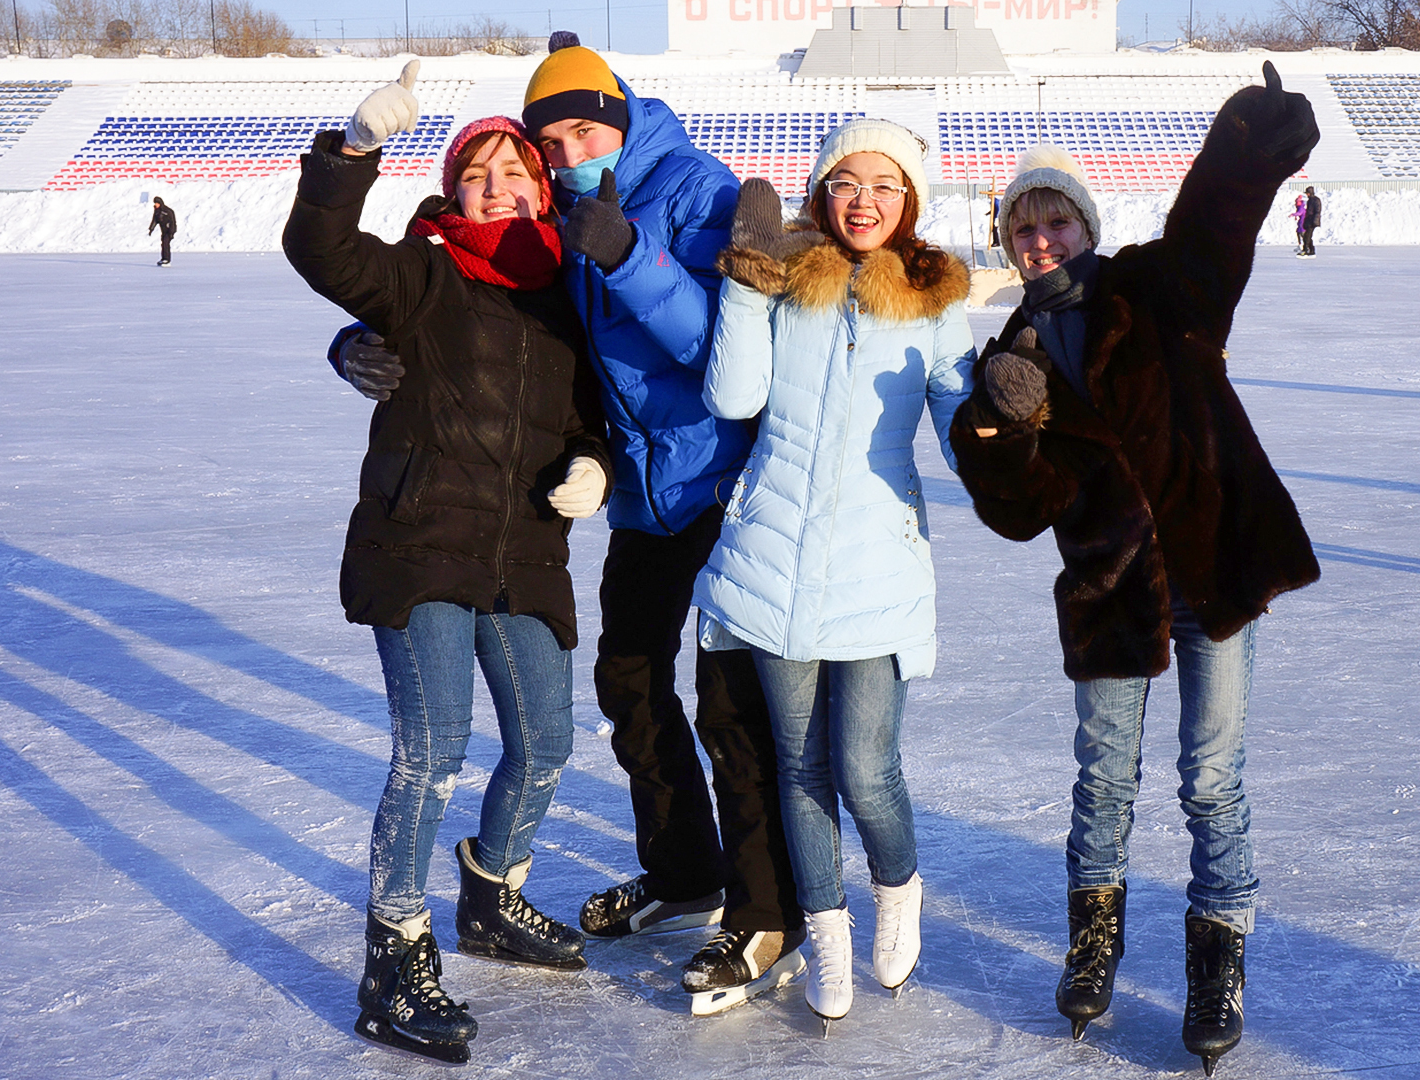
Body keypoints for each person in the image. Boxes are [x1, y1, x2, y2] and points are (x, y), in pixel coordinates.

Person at [330, 31, 806, 1016]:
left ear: (619, 118)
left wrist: (631, 258)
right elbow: (496, 318)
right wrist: (362, 337)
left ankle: (767, 912)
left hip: (715, 476)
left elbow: (727, 351)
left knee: (728, 700)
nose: (565, 149)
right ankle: (684, 873)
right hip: (639, 487)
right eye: (550, 139)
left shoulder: (693, 190)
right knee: (629, 679)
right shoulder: (561, 209)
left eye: (583, 128)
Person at [948, 63, 1321, 1075]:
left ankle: (1215, 963)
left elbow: (1214, 232)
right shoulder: (1014, 355)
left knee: (1212, 783)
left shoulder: (1156, 290)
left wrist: (1245, 153)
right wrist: (998, 430)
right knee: (1103, 781)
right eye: (1023, 229)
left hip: (1217, 569)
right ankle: (1094, 944)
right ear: (1007, 244)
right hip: (1112, 593)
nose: (1040, 241)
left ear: (1084, 225)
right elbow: (1021, 513)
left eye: (1056, 222)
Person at [284, 63, 612, 1063]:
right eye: (480, 172)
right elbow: (322, 247)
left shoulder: (566, 298)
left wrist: (595, 460)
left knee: (548, 741)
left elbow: (592, 410)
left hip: (522, 554)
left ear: (542, 191)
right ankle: (394, 955)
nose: (501, 183)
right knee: (432, 751)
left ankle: (493, 895)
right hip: (420, 542)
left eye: (517, 169)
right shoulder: (423, 276)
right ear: (454, 192)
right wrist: (353, 153)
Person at [696, 119, 975, 1031]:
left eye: (885, 185)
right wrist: (745, 281)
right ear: (820, 192)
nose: (863, 200)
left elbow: (961, 430)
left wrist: (1000, 410)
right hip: (773, 558)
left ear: (910, 204)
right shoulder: (786, 286)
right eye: (846, 182)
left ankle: (898, 891)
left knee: (865, 769)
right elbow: (734, 398)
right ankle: (827, 931)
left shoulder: (934, 303)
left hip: (876, 570)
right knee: (800, 768)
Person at [148, 196, 175, 266]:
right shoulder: (157, 211)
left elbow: (173, 222)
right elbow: (155, 220)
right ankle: (163, 258)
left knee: (166, 244)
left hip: (169, 230)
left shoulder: (167, 211)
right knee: (163, 244)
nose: (155, 204)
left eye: (156, 203)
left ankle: (167, 259)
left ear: (160, 203)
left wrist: (172, 232)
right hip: (163, 230)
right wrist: (151, 229)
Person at [1299, 184, 1321, 257]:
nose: (1307, 195)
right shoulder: (1310, 200)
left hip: (1312, 222)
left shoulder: (1316, 200)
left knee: (1307, 237)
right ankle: (1311, 251)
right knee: (1307, 236)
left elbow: (1317, 212)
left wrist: (1314, 222)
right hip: (1309, 221)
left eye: (1307, 193)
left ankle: (1305, 250)